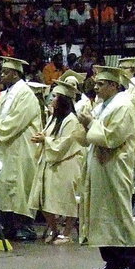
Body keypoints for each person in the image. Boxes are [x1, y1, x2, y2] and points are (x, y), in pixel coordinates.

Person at [76, 66, 135, 269]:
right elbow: (89, 135)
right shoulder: (102, 106)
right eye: (96, 83)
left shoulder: (123, 105)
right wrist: (86, 124)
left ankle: (131, 263)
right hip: (101, 164)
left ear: (114, 85)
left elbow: (113, 137)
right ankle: (112, 260)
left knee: (117, 212)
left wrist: (90, 123)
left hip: (115, 165)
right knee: (102, 213)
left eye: (101, 84)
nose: (96, 87)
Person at [0, 57, 41, 241]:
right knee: (4, 185)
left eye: (6, 72)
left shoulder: (26, 95)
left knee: (20, 186)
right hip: (6, 147)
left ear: (15, 74)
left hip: (21, 146)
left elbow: (16, 121)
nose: (2, 75)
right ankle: (7, 225)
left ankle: (24, 226)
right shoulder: (4, 95)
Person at [28, 79, 83, 244]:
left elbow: (64, 144)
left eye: (55, 97)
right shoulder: (54, 118)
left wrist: (45, 140)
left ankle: (66, 233)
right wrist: (41, 137)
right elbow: (49, 136)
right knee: (43, 199)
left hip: (67, 163)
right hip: (50, 161)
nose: (51, 100)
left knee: (68, 200)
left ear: (63, 100)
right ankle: (54, 229)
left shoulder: (71, 120)